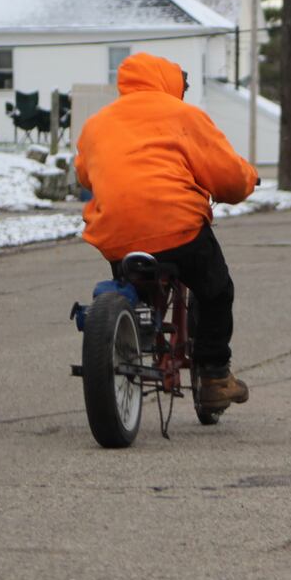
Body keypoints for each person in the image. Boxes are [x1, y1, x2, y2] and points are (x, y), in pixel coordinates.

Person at [73, 53, 258, 411]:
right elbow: (228, 178)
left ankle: (131, 324)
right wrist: (249, 180)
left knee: (133, 283)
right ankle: (217, 377)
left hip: (115, 234)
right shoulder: (184, 116)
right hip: (178, 229)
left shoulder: (97, 123)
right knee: (216, 290)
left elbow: (85, 174)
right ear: (170, 82)